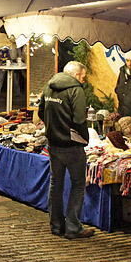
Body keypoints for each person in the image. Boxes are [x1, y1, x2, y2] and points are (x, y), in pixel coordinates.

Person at [42, 61, 93, 239]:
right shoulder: (75, 90)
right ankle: (73, 227)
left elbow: (41, 111)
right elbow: (79, 119)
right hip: (72, 146)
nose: (83, 80)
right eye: (83, 76)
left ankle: (56, 225)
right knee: (78, 185)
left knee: (56, 183)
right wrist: (84, 138)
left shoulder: (49, 86)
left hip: (53, 143)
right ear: (77, 75)